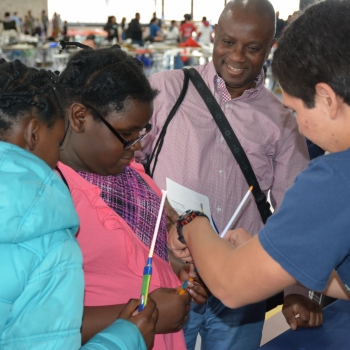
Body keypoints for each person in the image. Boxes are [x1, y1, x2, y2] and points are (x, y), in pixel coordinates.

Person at [135, 0, 315, 349]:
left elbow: (297, 211)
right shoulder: (167, 91)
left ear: (269, 48)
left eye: (253, 48)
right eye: (228, 42)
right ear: (214, 35)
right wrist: (169, 221)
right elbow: (127, 168)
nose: (237, 56)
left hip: (241, 284)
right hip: (166, 274)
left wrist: (296, 290)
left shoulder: (281, 120)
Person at [167, 0, 350, 329]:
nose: (298, 125)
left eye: (295, 111)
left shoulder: (336, 180)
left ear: (326, 99)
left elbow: (231, 284)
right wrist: (269, 252)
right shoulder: (168, 89)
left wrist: (191, 222)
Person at [55, 43, 208, 349]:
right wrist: (147, 313)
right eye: (127, 135)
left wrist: (180, 273)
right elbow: (40, 326)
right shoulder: (55, 200)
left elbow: (144, 256)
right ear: (79, 117)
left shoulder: (131, 174)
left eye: (142, 133)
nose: (136, 147)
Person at [0, 59, 158, 350]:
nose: (56, 156)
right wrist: (126, 339)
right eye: (57, 139)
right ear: (33, 133)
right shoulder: (49, 231)